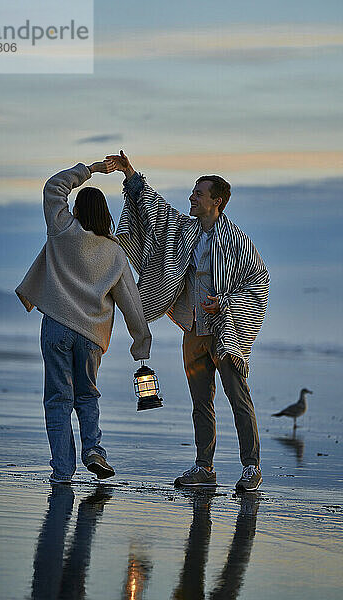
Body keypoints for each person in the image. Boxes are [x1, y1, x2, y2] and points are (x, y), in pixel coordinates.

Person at [106, 151, 269, 491]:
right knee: (200, 403)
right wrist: (130, 174)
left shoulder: (237, 241)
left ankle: (251, 468)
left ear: (217, 201)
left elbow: (259, 280)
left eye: (198, 194)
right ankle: (204, 468)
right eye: (193, 193)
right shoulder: (185, 229)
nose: (191, 198)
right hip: (194, 330)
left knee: (239, 399)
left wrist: (225, 303)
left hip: (227, 333)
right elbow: (157, 210)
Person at [15, 160, 152, 484]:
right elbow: (130, 299)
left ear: (76, 209)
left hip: (58, 326)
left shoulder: (63, 230)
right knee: (87, 395)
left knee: (59, 399)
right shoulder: (115, 252)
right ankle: (94, 450)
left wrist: (91, 169)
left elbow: (54, 187)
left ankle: (63, 471)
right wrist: (140, 340)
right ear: (105, 215)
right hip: (92, 335)